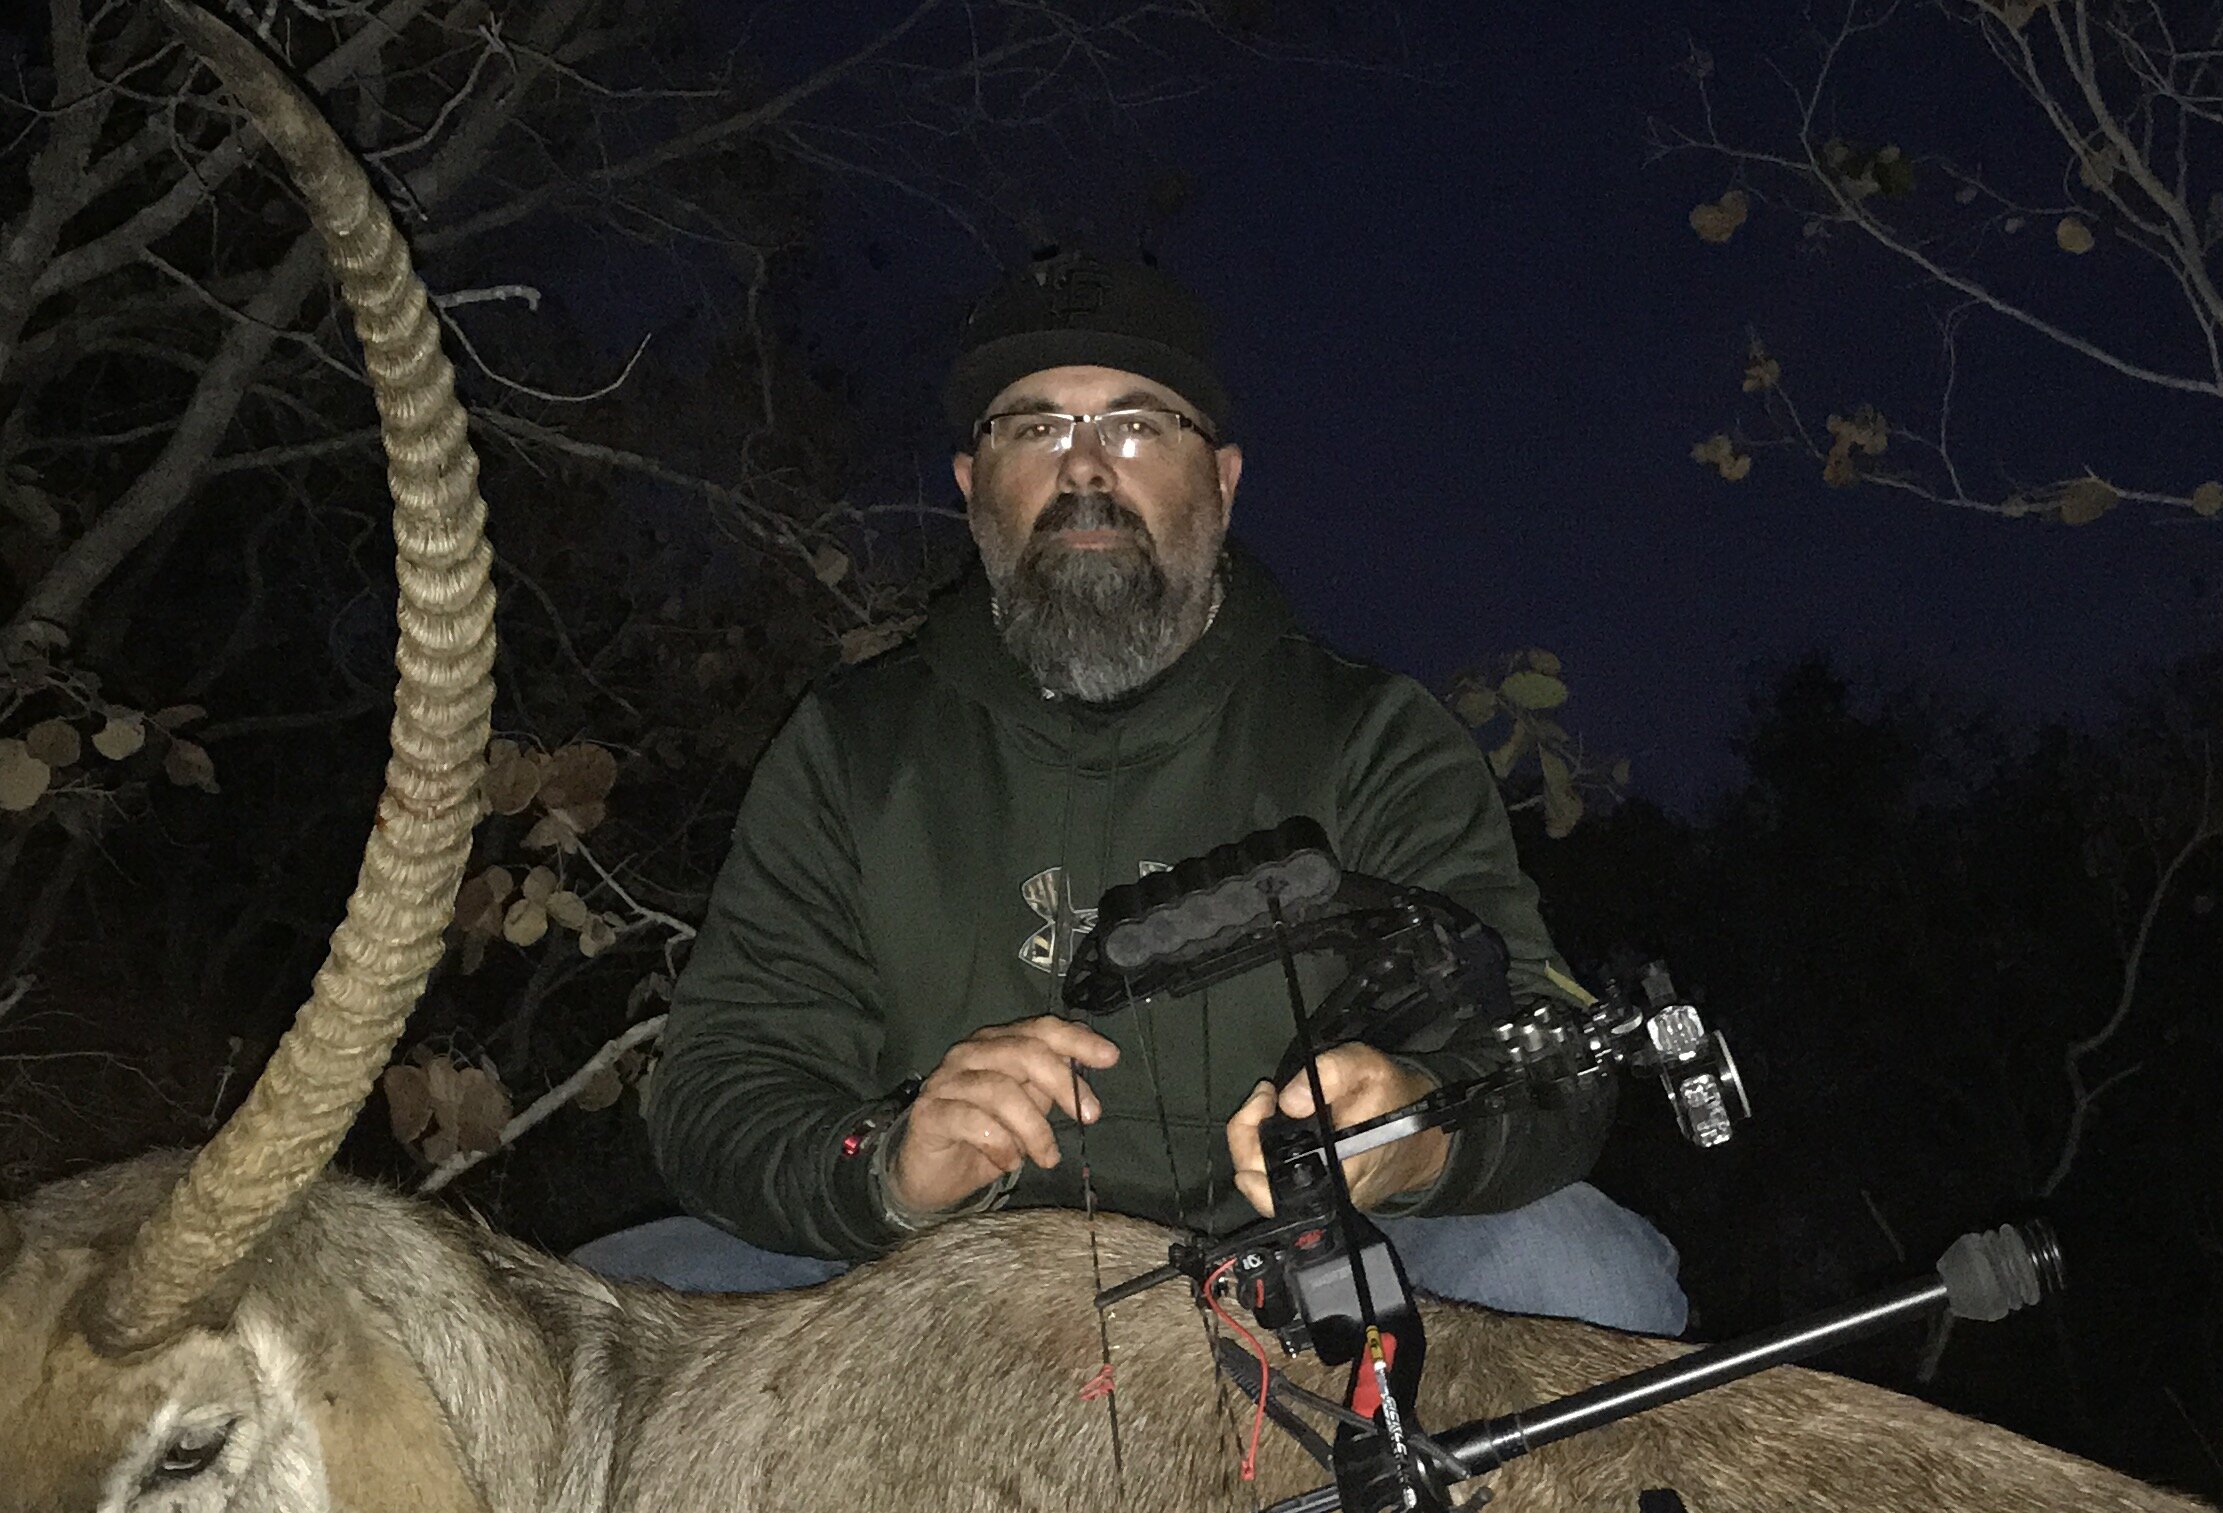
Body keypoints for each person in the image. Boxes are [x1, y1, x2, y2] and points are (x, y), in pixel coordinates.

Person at [581, 252, 1689, 1335]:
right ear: (973, 488)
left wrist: (1417, 1132)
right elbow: (720, 1086)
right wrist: (887, 1166)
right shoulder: (850, 748)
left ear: (1224, 477)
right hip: (932, 1287)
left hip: (1299, 1270)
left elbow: (1541, 1044)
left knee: (1595, 1276)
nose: (1084, 469)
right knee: (580, 1311)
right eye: (1035, 427)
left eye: (1138, 422)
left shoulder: (1372, 736)